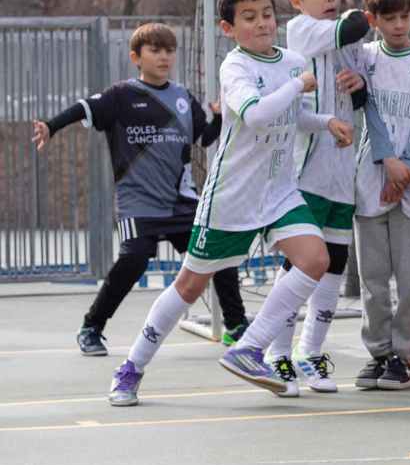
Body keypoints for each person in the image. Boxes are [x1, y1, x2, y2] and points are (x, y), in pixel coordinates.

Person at [107, 0, 352, 405]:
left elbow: (296, 116)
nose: (262, 24)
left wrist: (326, 121)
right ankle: (132, 366)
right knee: (188, 286)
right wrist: (297, 86)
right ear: (228, 28)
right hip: (232, 197)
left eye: (267, 15)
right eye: (249, 18)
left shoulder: (292, 62)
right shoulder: (235, 67)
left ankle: (249, 347)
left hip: (278, 191)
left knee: (316, 258)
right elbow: (257, 115)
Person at [33, 23, 250, 356]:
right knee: (134, 259)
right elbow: (82, 108)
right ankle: (92, 327)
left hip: (182, 202)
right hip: (139, 204)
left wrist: (220, 118)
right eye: (155, 50)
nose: (164, 57)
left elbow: (204, 137)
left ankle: (236, 327)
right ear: (136, 57)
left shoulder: (181, 97)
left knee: (217, 253)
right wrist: (50, 126)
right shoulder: (121, 96)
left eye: (169, 50)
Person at [267, 0, 391, 396]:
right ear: (297, 0)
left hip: (342, 171)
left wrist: (359, 88)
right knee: (300, 262)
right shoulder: (302, 30)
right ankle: (276, 354)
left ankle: (310, 351)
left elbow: (358, 100)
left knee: (335, 263)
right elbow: (354, 25)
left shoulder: (350, 42)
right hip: (304, 171)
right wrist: (377, 6)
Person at [351, 0, 410, 390]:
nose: (399, 26)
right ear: (373, 19)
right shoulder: (364, 57)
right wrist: (386, 159)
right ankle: (379, 352)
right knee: (372, 278)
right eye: (390, 19)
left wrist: (404, 167)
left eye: (405, 16)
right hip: (372, 177)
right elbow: (366, 107)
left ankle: (406, 357)